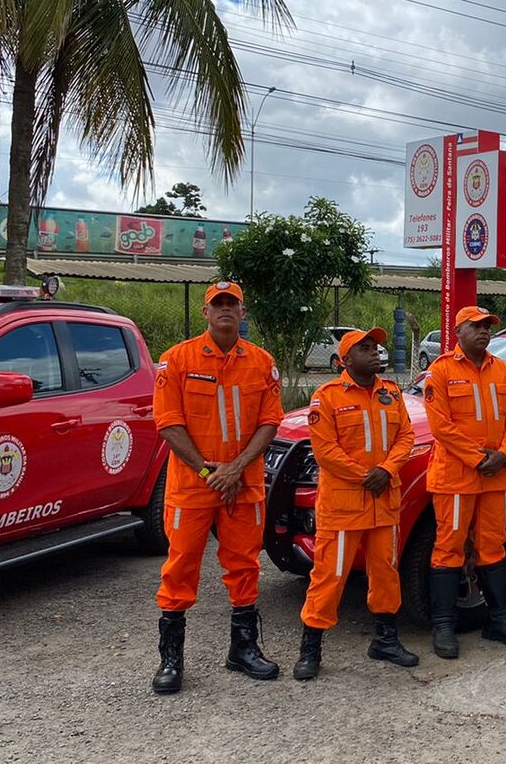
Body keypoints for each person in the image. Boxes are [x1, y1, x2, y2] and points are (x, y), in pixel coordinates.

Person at [150, 280, 283, 695]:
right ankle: (171, 659)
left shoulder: (262, 363)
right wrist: (212, 473)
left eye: (233, 304)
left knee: (244, 565)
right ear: (205, 313)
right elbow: (168, 424)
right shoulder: (176, 360)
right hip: (193, 485)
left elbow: (269, 422)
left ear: (243, 314)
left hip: (243, 484)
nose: (225, 309)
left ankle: (242, 649)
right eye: (217, 304)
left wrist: (237, 468)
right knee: (180, 567)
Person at [292, 329, 418, 681]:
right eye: (364, 349)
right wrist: (366, 475)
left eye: (375, 347)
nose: (375, 353)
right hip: (345, 506)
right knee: (329, 578)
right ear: (346, 360)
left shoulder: (390, 392)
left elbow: (406, 436)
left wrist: (386, 470)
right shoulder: (327, 397)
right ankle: (311, 648)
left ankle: (385, 640)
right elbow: (325, 451)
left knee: (385, 574)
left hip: (384, 503)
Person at [422, 305, 506, 658]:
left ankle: (498, 621)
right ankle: (444, 626)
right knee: (449, 548)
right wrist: (477, 457)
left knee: (494, 546)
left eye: (488, 326)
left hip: (494, 476)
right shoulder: (440, 372)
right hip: (456, 477)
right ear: (458, 333)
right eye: (477, 326)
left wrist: (504, 454)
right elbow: (441, 427)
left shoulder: (500, 370)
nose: (484, 332)